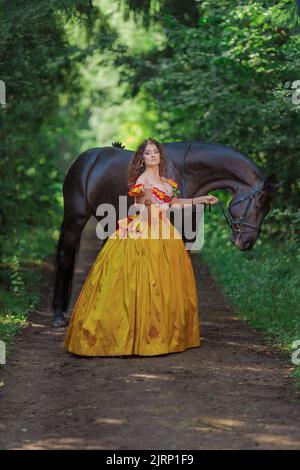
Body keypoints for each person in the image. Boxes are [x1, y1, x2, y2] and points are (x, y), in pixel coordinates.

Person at [64, 138, 218, 356]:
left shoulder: (166, 181)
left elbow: (173, 204)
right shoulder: (143, 181)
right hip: (145, 231)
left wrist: (201, 200)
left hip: (165, 233)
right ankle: (134, 336)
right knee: (141, 280)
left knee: (164, 285)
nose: (153, 156)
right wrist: (145, 206)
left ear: (160, 156)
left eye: (155, 152)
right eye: (148, 153)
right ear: (142, 158)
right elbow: (137, 211)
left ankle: (162, 334)